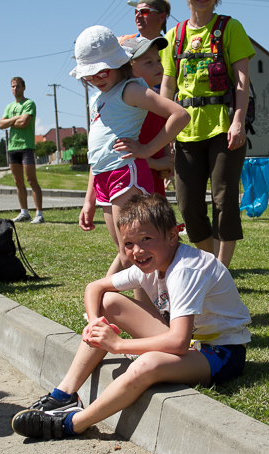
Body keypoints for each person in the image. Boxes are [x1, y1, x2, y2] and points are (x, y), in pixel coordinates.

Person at [11, 193, 251, 439]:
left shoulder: (185, 270)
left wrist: (119, 345)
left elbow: (178, 343)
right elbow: (95, 288)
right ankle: (63, 395)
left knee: (147, 364)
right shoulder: (150, 263)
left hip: (220, 353)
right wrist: (95, 322)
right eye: (128, 244)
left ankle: (72, 423)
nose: (137, 251)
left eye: (146, 239)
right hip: (188, 341)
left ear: (171, 235)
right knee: (108, 302)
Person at [73, 25, 189, 278]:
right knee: (126, 251)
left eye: (103, 71)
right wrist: (88, 200)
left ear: (118, 63)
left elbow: (180, 115)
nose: (97, 78)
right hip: (104, 177)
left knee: (132, 252)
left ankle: (102, 297)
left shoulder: (131, 89)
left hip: (125, 175)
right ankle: (142, 307)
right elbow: (97, 154)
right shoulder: (98, 98)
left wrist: (147, 149)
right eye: (90, 75)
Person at [161, 0, 255, 268]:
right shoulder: (174, 36)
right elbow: (166, 90)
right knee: (188, 206)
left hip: (223, 127)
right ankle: (211, 265)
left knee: (223, 199)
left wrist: (238, 120)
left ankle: (221, 272)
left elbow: (241, 81)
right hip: (186, 130)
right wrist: (165, 137)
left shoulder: (230, 28)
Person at [121, 36, 175, 198]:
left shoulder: (158, 101)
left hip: (155, 186)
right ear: (128, 68)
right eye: (148, 62)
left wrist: (167, 162)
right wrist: (156, 164)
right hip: (132, 187)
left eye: (158, 60)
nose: (158, 65)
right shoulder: (126, 105)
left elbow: (162, 138)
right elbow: (122, 155)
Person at [0, 77, 44, 224]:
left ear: (24, 88)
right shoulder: (9, 106)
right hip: (13, 147)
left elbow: (24, 123)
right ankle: (24, 212)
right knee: (18, 181)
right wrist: (16, 119)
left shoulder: (29, 103)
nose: (15, 89)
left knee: (31, 180)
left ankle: (39, 213)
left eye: (17, 86)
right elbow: (1, 124)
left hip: (26, 147)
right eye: (12, 87)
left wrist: (11, 121)